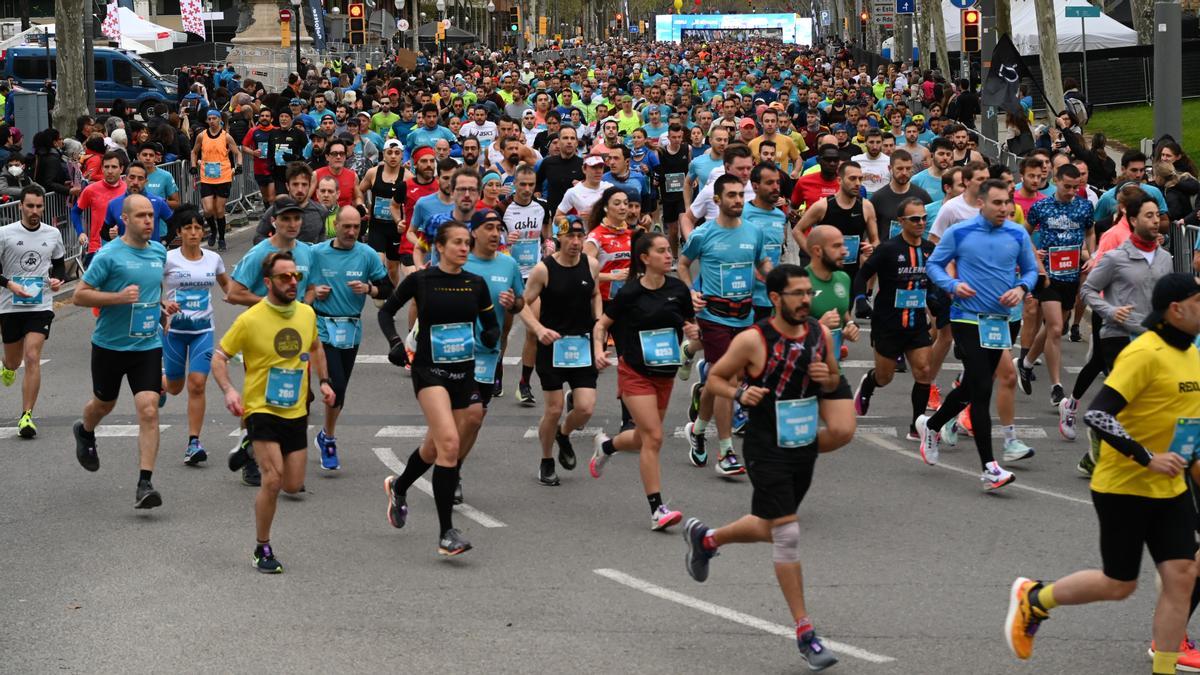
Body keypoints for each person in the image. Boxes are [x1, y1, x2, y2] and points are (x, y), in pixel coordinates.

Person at [1005, 273, 1200, 675]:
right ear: (1177, 309)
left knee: (1182, 575)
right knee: (1119, 583)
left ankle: (1163, 669)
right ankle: (1036, 598)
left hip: (1170, 487)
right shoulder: (1145, 353)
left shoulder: (1194, 355)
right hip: (1124, 486)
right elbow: (1097, 414)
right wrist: (1147, 457)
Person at [682, 264, 853, 673]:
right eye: (797, 294)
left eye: (808, 293)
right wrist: (742, 392)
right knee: (788, 533)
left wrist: (824, 378)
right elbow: (716, 381)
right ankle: (806, 633)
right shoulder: (753, 340)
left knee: (770, 524)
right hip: (764, 446)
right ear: (775, 299)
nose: (806, 300)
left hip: (802, 443)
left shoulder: (817, 334)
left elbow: (831, 382)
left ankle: (706, 539)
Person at [378, 220, 500, 557]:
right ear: (440, 247)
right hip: (429, 372)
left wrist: (491, 336)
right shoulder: (421, 280)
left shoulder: (475, 284)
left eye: (466, 242)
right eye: (457, 242)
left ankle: (399, 486)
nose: (464, 247)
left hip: (463, 371)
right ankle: (447, 533)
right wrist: (395, 343)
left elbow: (491, 325)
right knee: (449, 444)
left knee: (440, 444)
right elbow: (386, 312)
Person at [214, 251, 336, 574]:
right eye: (284, 277)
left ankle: (249, 446)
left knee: (293, 484)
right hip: (261, 409)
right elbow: (219, 357)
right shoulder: (250, 319)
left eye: (295, 275)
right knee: (273, 479)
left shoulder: (307, 314)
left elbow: (315, 347)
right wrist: (229, 390)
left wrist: (324, 382)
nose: (292, 281)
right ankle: (262, 546)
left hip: (295, 410)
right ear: (268, 282)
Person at [917, 179, 1039, 490]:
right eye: (996, 203)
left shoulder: (1017, 233)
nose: (1003, 208)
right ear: (981, 203)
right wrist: (952, 286)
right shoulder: (961, 231)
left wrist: (1021, 288)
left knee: (971, 385)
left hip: (998, 322)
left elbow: (1030, 270)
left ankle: (931, 426)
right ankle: (990, 468)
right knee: (983, 386)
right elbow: (934, 265)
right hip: (966, 318)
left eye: (1006, 203)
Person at [590, 230, 698, 529]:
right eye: (662, 251)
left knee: (642, 438)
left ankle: (608, 446)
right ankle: (657, 509)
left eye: (669, 250)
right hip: (634, 371)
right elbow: (602, 325)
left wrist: (693, 334)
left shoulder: (677, 289)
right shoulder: (630, 292)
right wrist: (599, 350)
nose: (668, 255)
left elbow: (690, 328)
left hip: (665, 373)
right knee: (653, 437)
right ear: (644, 258)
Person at [71, 194, 169, 509]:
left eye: (151, 215)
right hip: (110, 346)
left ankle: (145, 483)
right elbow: (79, 296)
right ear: (124, 219)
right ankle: (84, 431)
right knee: (104, 404)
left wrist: (162, 307)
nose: (148, 221)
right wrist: (117, 298)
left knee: (149, 409)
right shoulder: (109, 256)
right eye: (141, 215)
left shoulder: (159, 252)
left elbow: (152, 291)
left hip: (147, 344)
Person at [1066, 194, 1169, 474]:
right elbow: (1087, 290)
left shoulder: (1165, 259)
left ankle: (1094, 450)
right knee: (1124, 399)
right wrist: (1110, 311)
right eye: (1149, 215)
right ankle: (1111, 453)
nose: (1155, 220)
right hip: (1117, 336)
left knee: (1146, 400)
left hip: (1151, 337)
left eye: (1157, 215)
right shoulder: (1115, 258)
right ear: (1133, 220)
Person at [679, 174, 774, 475]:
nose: (737, 200)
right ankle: (726, 452)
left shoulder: (754, 232)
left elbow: (762, 263)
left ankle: (697, 430)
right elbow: (682, 264)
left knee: (716, 383)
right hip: (714, 317)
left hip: (745, 315)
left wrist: (777, 281)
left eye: (740, 195)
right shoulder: (703, 234)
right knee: (728, 382)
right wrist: (691, 292)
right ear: (717, 200)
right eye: (731, 195)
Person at [227, 196, 316, 486]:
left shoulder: (306, 252)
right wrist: (268, 305)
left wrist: (306, 307)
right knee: (259, 400)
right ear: (274, 221)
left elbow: (309, 287)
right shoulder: (259, 254)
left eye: (296, 218)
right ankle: (251, 454)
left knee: (295, 395)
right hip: (261, 334)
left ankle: (286, 459)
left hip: (295, 335)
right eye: (286, 219)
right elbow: (233, 293)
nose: (292, 224)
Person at [307, 206, 391, 470]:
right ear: (336, 225)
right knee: (337, 385)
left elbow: (387, 288)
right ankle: (329, 439)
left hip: (351, 329)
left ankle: (324, 434)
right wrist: (312, 291)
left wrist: (369, 288)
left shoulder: (366, 255)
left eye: (357, 227)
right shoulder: (317, 253)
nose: (352, 232)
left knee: (340, 390)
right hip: (322, 326)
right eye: (347, 226)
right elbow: (296, 281)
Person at [521, 215, 601, 486]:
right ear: (559, 238)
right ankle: (546, 460)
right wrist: (538, 329)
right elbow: (522, 303)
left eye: (580, 236)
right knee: (553, 410)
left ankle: (563, 434)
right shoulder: (544, 270)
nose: (576, 242)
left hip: (582, 345)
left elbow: (595, 293)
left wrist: (599, 321)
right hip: (552, 346)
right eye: (571, 237)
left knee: (586, 408)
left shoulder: (591, 265)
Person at [851, 197, 939, 439]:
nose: (921, 222)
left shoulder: (930, 250)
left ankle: (917, 426)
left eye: (923, 218)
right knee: (885, 377)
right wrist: (860, 299)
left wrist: (935, 302)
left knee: (923, 371)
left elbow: (931, 282)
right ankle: (868, 384)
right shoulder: (888, 249)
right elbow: (863, 274)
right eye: (914, 219)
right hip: (888, 323)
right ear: (901, 222)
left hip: (916, 323)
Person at [460, 209, 525, 501]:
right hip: (456, 351)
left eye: (498, 227)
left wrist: (513, 302)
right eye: (488, 227)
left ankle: (453, 465)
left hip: (488, 353)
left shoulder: (509, 264)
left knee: (476, 417)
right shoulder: (460, 261)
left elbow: (520, 302)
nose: (494, 233)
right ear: (474, 232)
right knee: (467, 415)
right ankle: (449, 469)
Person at [160, 208, 231, 465]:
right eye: (187, 228)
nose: (193, 233)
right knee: (177, 388)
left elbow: (228, 285)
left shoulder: (213, 260)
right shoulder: (167, 259)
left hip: (203, 330)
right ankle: (162, 383)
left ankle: (193, 442)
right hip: (174, 332)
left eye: (198, 228)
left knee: (198, 384)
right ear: (178, 232)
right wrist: (163, 304)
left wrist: (239, 295)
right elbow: (154, 288)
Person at [1023, 163, 1095, 407]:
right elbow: (1025, 232)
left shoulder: (1084, 206)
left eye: (1076, 187)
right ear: (1056, 180)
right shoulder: (1041, 206)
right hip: (1047, 276)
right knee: (1055, 328)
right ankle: (1056, 386)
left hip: (1071, 275)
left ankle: (1025, 363)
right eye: (1067, 186)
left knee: (1056, 326)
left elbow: (1090, 232)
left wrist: (1093, 256)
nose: (1072, 191)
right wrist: (1035, 254)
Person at [0, 186, 66, 437]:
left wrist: (58, 279)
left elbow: (59, 265)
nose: (35, 211)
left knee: (31, 357)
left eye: (39, 206)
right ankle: (6, 366)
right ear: (21, 206)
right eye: (30, 206)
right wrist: (10, 284)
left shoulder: (52, 234)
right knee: (14, 361)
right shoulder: (5, 234)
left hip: (40, 305)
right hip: (9, 305)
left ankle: (26, 416)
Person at [189, 110, 242, 251]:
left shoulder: (226, 137)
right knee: (207, 209)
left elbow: (238, 153)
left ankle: (222, 238)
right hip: (207, 177)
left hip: (223, 177)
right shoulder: (201, 136)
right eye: (209, 118)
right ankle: (213, 231)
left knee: (219, 210)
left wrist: (239, 166)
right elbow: (194, 151)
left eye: (214, 118)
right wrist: (193, 166)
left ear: (219, 120)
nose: (211, 121)